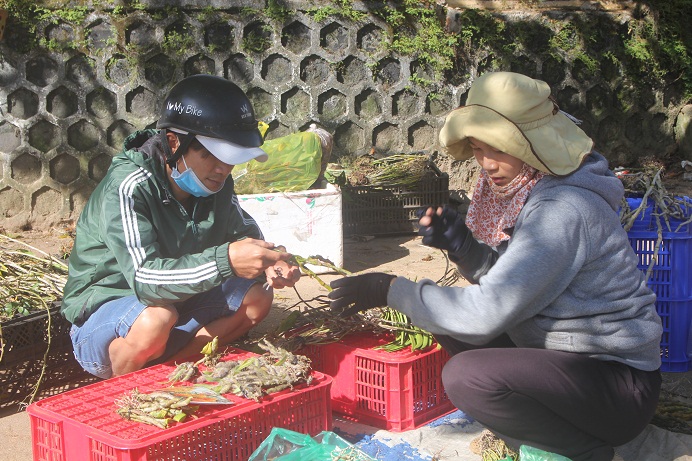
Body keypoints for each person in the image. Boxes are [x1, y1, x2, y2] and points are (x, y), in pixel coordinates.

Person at [328, 72, 662, 461]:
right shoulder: (538, 190)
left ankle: (590, 453)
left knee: (468, 377)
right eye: (477, 148)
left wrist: (387, 288)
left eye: (499, 150)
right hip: (567, 363)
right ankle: (561, 436)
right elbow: (518, 283)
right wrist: (465, 248)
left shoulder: (563, 209)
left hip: (616, 385)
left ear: (534, 147)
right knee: (450, 327)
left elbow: (486, 313)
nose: (486, 164)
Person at [62, 74, 301, 380]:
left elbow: (244, 234)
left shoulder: (216, 184)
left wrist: (271, 260)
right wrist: (225, 261)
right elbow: (146, 281)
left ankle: (170, 374)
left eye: (230, 160)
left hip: (179, 304)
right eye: (211, 156)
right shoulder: (128, 187)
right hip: (111, 317)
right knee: (155, 320)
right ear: (175, 142)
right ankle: (125, 390)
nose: (223, 169)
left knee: (258, 297)